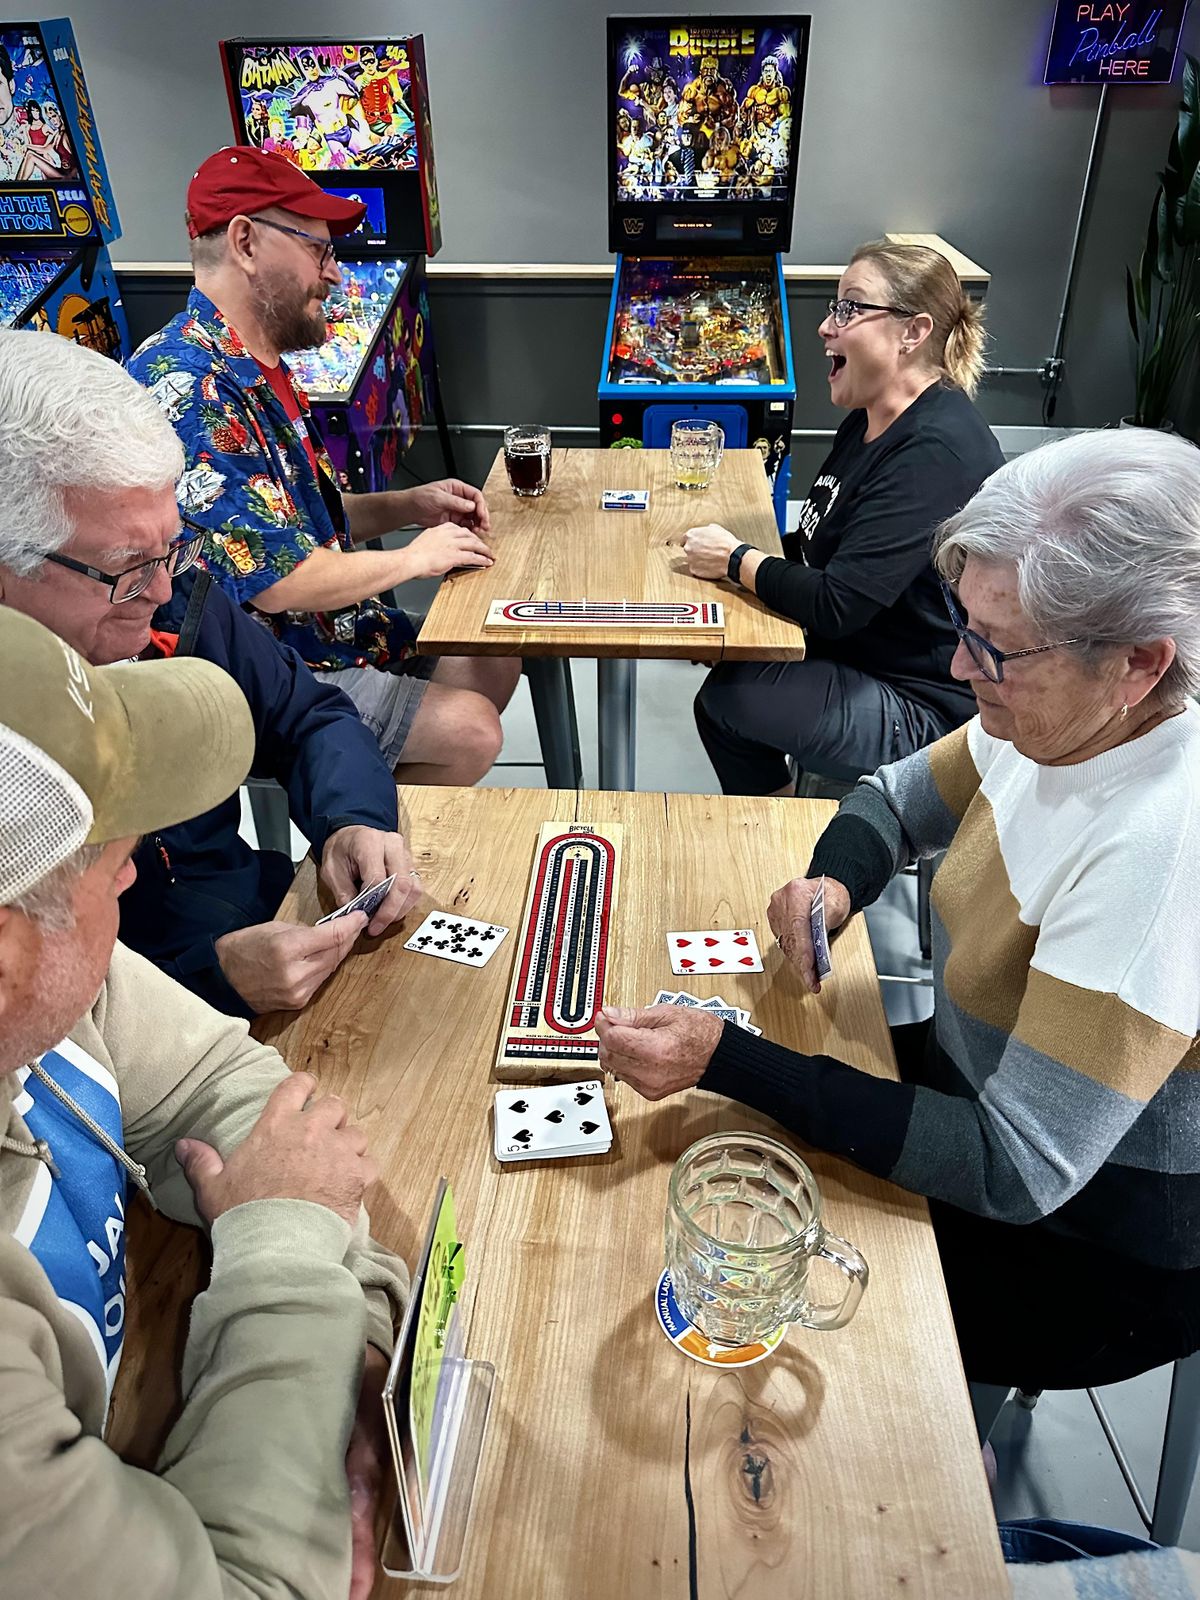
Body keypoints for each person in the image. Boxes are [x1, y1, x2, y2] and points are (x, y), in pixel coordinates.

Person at [598, 428, 1200, 1397]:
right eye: (963, 628)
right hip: (974, 1082)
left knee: (740, 1291)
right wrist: (837, 883)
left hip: (1092, 1249)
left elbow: (1015, 1172)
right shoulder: (1060, 711)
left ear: (1136, 663)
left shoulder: (1165, 849)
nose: (960, 671)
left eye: (992, 648)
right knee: (726, 1162)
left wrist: (726, 1056)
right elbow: (892, 796)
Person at [0, 605, 408, 1598]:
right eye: (112, 860)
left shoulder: (61, 981)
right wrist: (288, 1250)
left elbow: (248, 1100)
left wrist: (343, 1355)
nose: (135, 870)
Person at [0, 329, 423, 1020]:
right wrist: (209, 978)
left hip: (256, 924)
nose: (162, 589)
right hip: (141, 1018)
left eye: (173, 546)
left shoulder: (172, 597)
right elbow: (42, 1025)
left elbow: (309, 715)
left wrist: (353, 820)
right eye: (126, 567)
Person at [127, 147, 520, 782]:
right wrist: (416, 558)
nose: (334, 274)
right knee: (472, 730)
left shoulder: (265, 367)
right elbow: (277, 580)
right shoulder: (188, 383)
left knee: (495, 652)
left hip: (328, 633)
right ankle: (358, 857)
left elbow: (306, 525)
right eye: (318, 249)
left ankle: (358, 800)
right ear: (247, 242)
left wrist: (411, 506)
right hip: (263, 673)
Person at [687, 241, 1004, 793]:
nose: (825, 328)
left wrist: (738, 561)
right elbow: (818, 544)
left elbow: (837, 605)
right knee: (729, 673)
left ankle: (777, 838)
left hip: (925, 704)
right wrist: (732, 570)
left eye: (849, 308)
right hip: (865, 655)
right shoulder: (868, 420)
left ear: (913, 331)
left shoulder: (934, 450)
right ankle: (784, 819)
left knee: (729, 698)